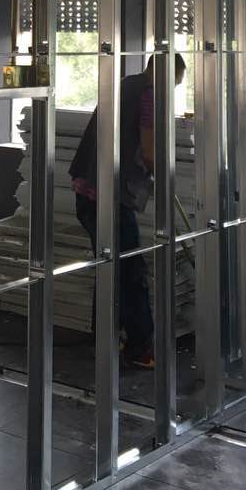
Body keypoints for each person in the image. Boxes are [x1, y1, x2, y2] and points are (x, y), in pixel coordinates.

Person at [69, 52, 187, 370]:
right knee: (131, 270)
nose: (171, 92)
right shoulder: (148, 97)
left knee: (109, 265)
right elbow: (148, 151)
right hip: (108, 196)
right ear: (161, 74)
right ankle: (139, 347)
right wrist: (163, 176)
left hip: (88, 190)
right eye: (174, 84)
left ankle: (105, 339)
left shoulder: (122, 85)